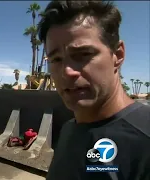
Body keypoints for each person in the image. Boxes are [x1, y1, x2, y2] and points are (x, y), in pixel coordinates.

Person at [37, 1, 150, 180]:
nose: (67, 72)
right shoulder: (68, 130)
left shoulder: (145, 138)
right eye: (56, 59)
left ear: (118, 55)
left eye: (83, 55)